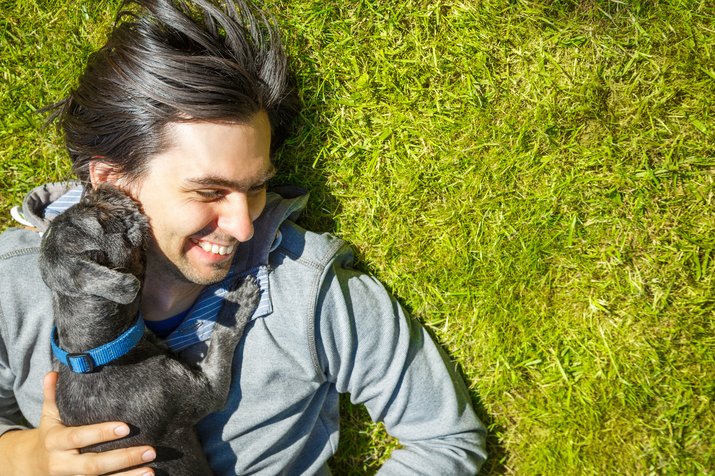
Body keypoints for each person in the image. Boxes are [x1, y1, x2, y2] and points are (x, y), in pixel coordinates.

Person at [0, 0, 488, 474]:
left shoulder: (308, 294)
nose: (243, 225)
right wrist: (24, 460)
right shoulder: (11, 282)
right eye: (209, 190)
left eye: (255, 187)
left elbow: (444, 435)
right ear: (111, 182)